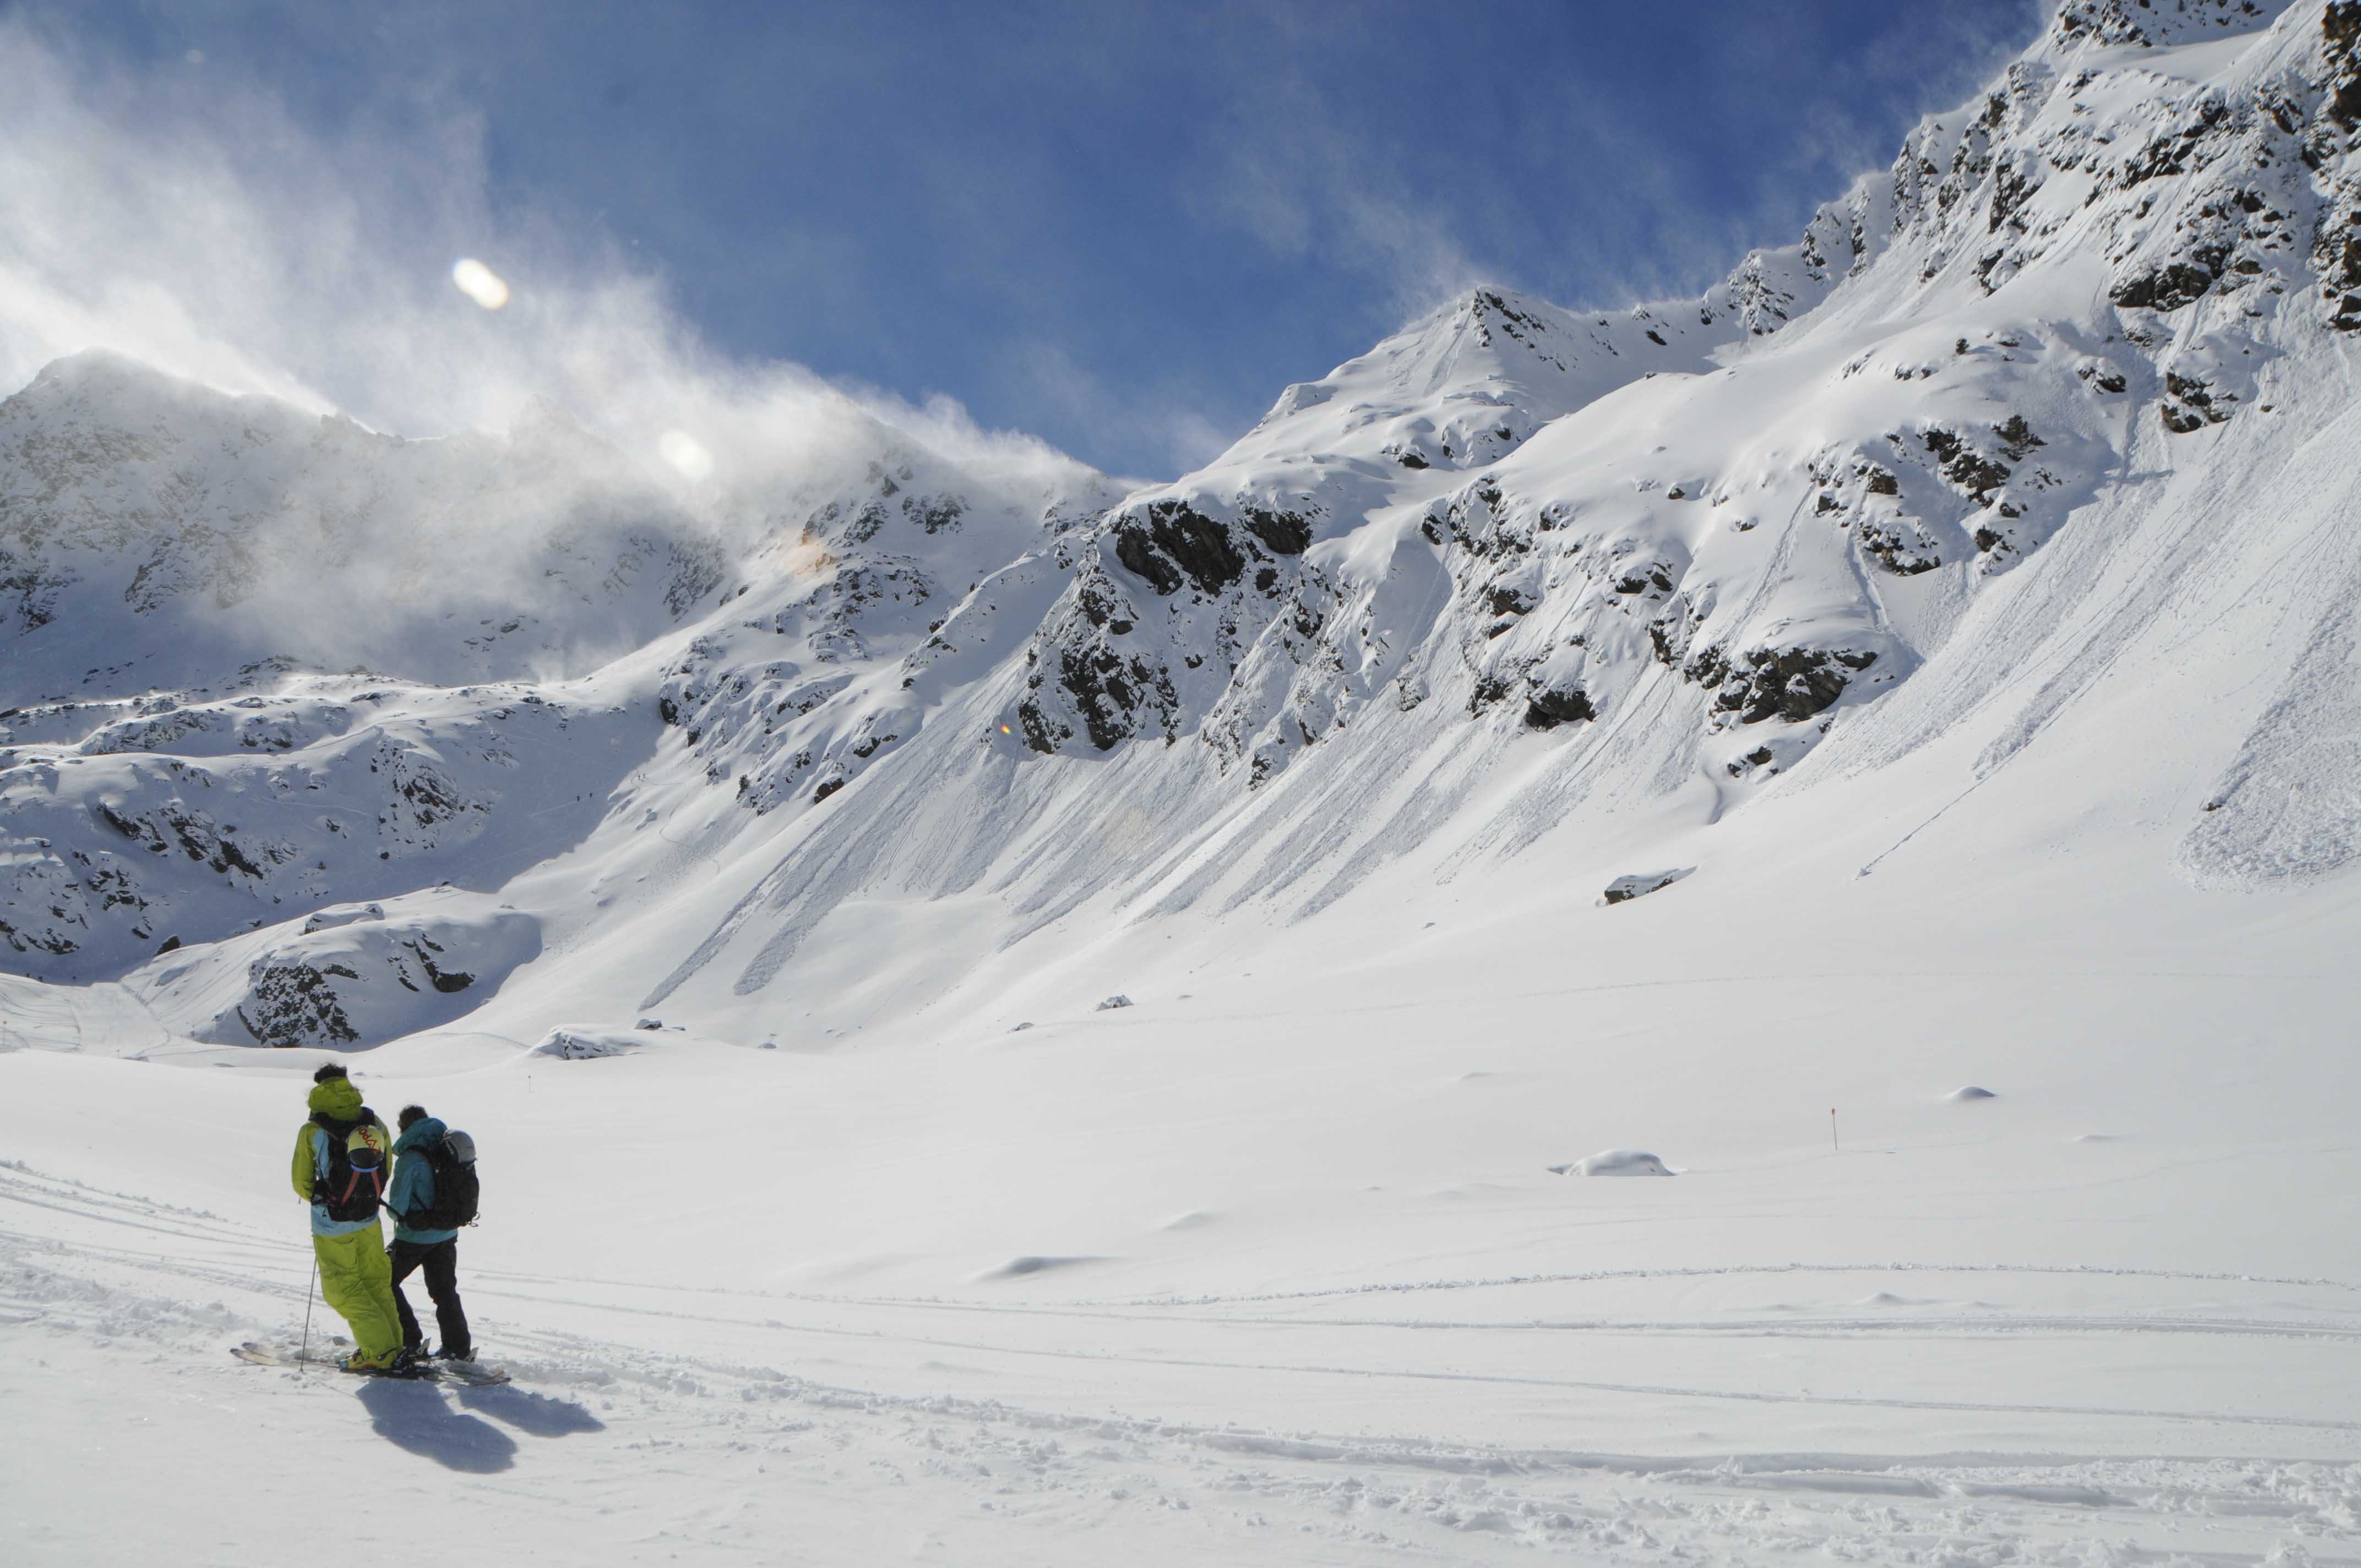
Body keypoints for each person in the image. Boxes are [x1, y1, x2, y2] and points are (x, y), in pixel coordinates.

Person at [289, 1064, 409, 1373]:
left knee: (343, 1290)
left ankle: (379, 1352)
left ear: (317, 1089)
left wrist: (324, 1196)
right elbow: (386, 1169)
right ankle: (393, 1346)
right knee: (375, 1283)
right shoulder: (373, 1122)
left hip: (332, 1224)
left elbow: (301, 1183)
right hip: (370, 1219)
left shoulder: (313, 1130)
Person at [387, 1103, 474, 1362]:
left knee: (384, 1281)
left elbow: (396, 1208)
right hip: (446, 1234)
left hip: (413, 1237)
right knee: (445, 1291)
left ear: (404, 1128)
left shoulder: (410, 1158)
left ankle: (410, 1341)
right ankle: (458, 1348)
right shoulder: (447, 1147)